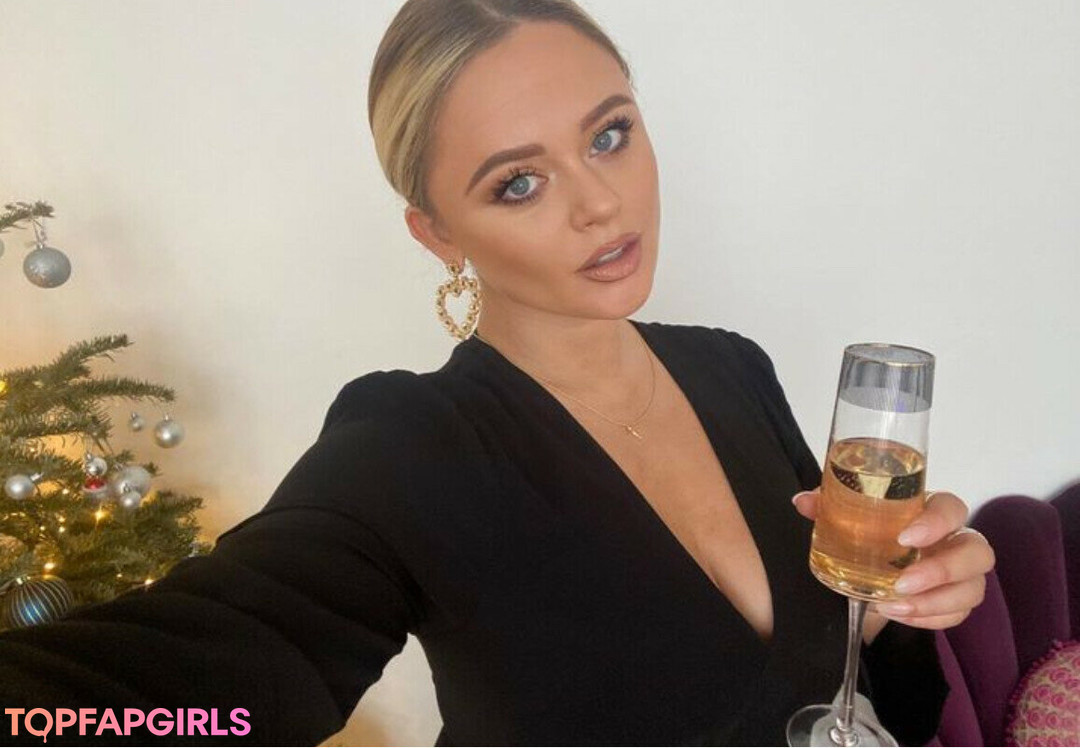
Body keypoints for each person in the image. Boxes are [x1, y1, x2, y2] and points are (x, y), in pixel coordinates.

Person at [0, 0, 995, 745]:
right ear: (437, 233)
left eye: (610, 134)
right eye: (518, 182)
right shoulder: (408, 449)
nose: (600, 204)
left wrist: (903, 602)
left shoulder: (732, 367)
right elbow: (190, 680)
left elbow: (863, 693)